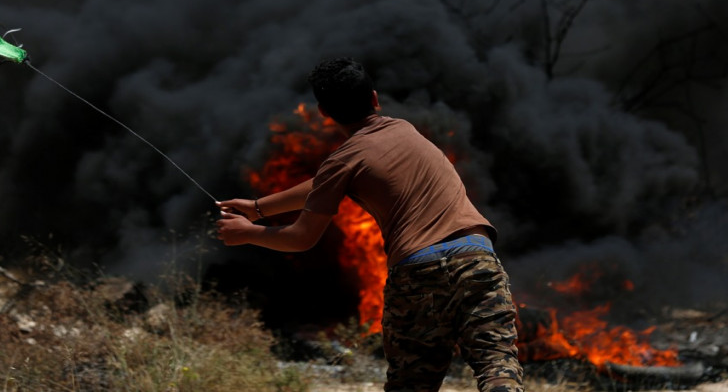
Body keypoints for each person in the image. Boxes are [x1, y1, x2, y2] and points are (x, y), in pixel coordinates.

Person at [216, 57, 524, 392]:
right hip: (475, 257)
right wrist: (259, 208)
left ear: (323, 112)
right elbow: (325, 183)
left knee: (412, 382)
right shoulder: (404, 129)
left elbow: (302, 237)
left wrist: (248, 233)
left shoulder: (344, 160)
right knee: (497, 366)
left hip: (417, 271)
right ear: (375, 98)